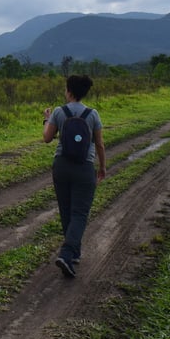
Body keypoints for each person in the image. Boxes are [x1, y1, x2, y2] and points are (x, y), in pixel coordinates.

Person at [42, 74, 106, 278]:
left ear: (69, 91)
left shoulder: (60, 112)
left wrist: (46, 118)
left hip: (61, 165)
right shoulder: (93, 114)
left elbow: (47, 138)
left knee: (67, 210)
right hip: (84, 167)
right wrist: (102, 166)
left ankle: (72, 253)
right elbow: (99, 144)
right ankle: (68, 254)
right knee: (80, 213)